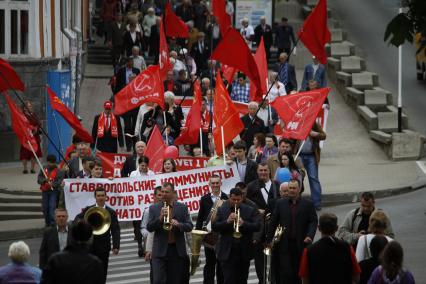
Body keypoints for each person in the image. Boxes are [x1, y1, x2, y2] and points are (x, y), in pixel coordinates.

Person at [266, 179, 317, 284]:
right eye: (290, 188)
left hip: (301, 244)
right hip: (284, 245)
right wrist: (269, 240)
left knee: (299, 273)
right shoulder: (280, 203)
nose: (292, 190)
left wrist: (309, 236)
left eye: (294, 188)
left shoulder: (308, 204)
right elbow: (273, 222)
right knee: (286, 273)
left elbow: (313, 222)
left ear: (299, 189)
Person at [147, 182, 194, 284]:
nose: (163, 194)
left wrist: (179, 224)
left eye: (166, 192)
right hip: (159, 251)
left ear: (173, 193)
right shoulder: (153, 208)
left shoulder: (182, 207)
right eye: (162, 192)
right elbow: (149, 228)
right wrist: (160, 219)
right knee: (158, 280)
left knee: (174, 280)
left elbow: (190, 226)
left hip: (176, 250)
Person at [212, 188, 261, 284]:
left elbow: (257, 226)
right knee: (229, 279)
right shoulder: (222, 210)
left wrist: (244, 224)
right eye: (233, 199)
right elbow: (214, 227)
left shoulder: (249, 210)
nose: (236, 202)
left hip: (243, 251)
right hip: (227, 252)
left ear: (242, 198)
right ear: (230, 197)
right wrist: (227, 221)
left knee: (242, 279)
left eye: (238, 200)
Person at [299, 213, 361, 284]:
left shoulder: (309, 250)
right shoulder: (347, 247)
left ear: (319, 228)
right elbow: (356, 276)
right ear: (337, 228)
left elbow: (304, 278)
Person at [76, 186, 120, 283]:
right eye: (98, 196)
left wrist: (116, 246)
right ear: (95, 197)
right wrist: (81, 222)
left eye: (102, 195)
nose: (100, 198)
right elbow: (77, 219)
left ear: (106, 197)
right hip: (89, 246)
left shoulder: (111, 212)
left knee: (102, 272)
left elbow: (115, 230)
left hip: (104, 247)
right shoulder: (88, 210)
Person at [246, 163, 280, 284]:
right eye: (261, 170)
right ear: (257, 171)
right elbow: (245, 204)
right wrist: (256, 211)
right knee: (259, 259)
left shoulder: (276, 185)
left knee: (275, 258)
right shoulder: (251, 186)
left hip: (273, 227)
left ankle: (273, 279)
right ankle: (262, 280)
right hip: (258, 229)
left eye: (265, 170)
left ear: (269, 172)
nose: (263, 173)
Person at [195, 175, 228, 284]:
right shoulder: (204, 199)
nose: (215, 185)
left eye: (217, 183)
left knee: (221, 263)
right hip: (208, 236)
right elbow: (200, 217)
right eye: (212, 183)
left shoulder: (226, 198)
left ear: (220, 183)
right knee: (210, 263)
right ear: (209, 185)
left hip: (221, 236)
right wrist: (198, 234)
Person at [295, 121, 326, 211]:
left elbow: (323, 136)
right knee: (297, 178)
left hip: (311, 155)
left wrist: (314, 134)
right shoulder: (298, 123)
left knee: (313, 178)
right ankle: (296, 201)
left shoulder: (314, 124)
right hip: (299, 155)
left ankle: (316, 203)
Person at [37, 154, 65, 226]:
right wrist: (44, 180)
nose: (50, 164)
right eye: (49, 163)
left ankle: (53, 223)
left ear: (55, 162)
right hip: (45, 191)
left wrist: (52, 184)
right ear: (47, 162)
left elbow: (59, 181)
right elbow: (39, 178)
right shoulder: (43, 168)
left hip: (54, 191)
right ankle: (47, 223)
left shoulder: (59, 171)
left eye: (52, 163)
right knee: (45, 208)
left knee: (52, 207)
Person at [20, 101, 42, 174]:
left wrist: (36, 128)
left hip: (35, 136)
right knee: (25, 153)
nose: (30, 107)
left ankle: (32, 168)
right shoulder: (22, 115)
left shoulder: (34, 114)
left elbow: (39, 123)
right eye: (29, 106)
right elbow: (21, 125)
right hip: (26, 137)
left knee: (34, 153)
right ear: (25, 108)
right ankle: (25, 168)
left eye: (30, 106)